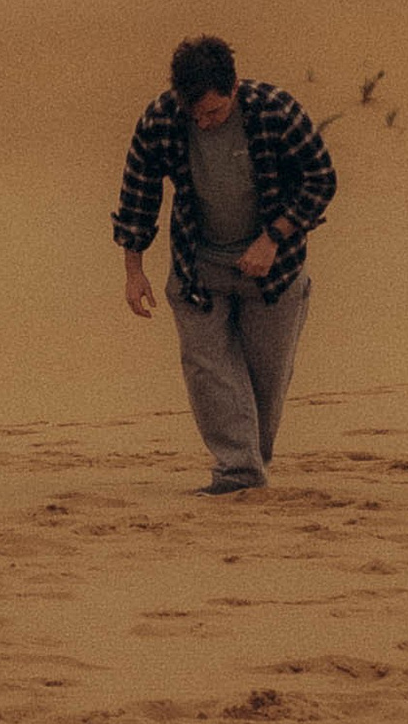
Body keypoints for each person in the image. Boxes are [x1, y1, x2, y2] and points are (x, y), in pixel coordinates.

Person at [112, 35, 336, 494]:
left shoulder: (275, 110)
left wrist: (274, 237)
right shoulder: (161, 120)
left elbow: (321, 179)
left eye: (214, 112)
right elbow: (139, 194)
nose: (205, 123)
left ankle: (251, 467)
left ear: (234, 87)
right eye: (196, 115)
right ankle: (237, 473)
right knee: (207, 370)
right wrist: (134, 271)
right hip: (200, 268)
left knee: (264, 383)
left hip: (276, 271)